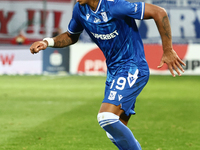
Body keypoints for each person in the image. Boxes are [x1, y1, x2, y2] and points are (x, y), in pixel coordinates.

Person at [30, 0, 186, 149]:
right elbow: (71, 36)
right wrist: (47, 42)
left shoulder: (116, 6)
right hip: (114, 71)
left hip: (132, 67)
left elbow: (159, 12)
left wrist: (167, 50)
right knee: (114, 131)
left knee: (107, 118)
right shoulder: (80, 10)